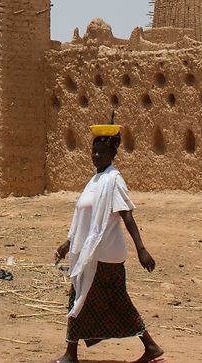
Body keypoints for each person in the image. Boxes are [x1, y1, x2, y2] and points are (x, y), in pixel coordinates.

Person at [49, 125, 165, 363]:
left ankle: (71, 354)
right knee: (114, 301)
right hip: (93, 253)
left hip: (105, 254)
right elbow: (86, 220)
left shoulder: (114, 180)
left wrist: (141, 250)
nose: (96, 155)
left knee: (78, 297)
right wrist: (68, 243)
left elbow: (127, 215)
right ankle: (150, 346)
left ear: (113, 154)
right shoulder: (95, 180)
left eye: (102, 152)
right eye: (94, 151)